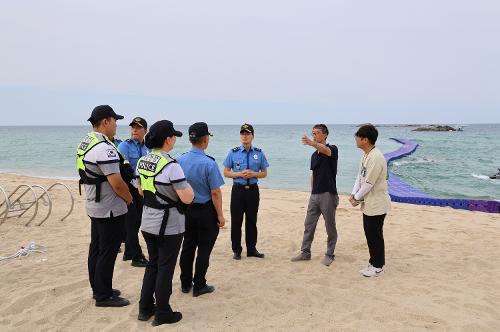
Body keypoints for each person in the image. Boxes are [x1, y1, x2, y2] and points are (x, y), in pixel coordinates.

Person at [136, 120, 194, 326]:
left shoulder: (143, 160)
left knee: (153, 264)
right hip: (168, 225)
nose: (175, 139)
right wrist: (190, 191)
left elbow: (141, 190)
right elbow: (187, 197)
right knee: (165, 267)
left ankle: (144, 309)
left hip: (147, 221)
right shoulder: (172, 165)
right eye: (174, 136)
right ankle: (162, 312)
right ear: (168, 139)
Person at [76, 105, 132, 307]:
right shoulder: (104, 148)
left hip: (94, 204)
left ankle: (98, 288)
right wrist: (128, 199)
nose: (117, 124)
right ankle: (104, 295)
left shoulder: (87, 142)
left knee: (97, 248)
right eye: (115, 120)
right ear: (106, 122)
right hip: (108, 208)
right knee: (108, 250)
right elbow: (116, 183)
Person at [177, 122, 225, 297]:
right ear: (205, 139)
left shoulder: (180, 160)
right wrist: (220, 215)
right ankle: (199, 285)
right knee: (204, 249)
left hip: (186, 210)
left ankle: (184, 283)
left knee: (188, 246)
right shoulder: (209, 163)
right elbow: (215, 192)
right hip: (205, 211)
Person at [291, 124, 339, 266]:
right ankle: (305, 253)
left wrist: (312, 143)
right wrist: (312, 192)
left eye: (317, 133)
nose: (314, 136)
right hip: (315, 195)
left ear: (325, 135)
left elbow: (325, 150)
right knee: (309, 225)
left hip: (328, 194)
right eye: (313, 133)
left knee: (330, 226)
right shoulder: (314, 155)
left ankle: (330, 254)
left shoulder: (333, 149)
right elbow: (314, 174)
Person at [349, 124, 391, 277]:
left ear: (365, 140)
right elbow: (359, 177)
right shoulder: (366, 155)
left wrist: (356, 198)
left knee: (375, 235)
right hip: (368, 203)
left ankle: (378, 266)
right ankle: (373, 263)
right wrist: (354, 194)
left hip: (377, 204)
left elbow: (369, 183)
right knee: (369, 234)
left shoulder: (376, 157)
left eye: (357, 137)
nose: (356, 139)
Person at [223, 123, 268, 260]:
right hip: (238, 190)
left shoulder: (259, 153)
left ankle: (251, 249)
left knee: (251, 221)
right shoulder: (233, 152)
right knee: (236, 221)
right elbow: (226, 172)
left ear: (252, 136)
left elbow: (264, 173)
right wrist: (239, 175)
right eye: (242, 133)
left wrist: (253, 174)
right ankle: (237, 250)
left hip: (253, 191)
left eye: (247, 134)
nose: (244, 136)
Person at [118, 117, 149, 267]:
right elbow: (122, 170)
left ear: (145, 131)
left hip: (142, 188)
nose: (134, 130)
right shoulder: (124, 146)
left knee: (136, 221)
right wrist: (135, 185)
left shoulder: (146, 148)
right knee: (131, 221)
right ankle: (136, 256)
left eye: (138, 127)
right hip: (129, 187)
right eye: (133, 127)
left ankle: (128, 252)